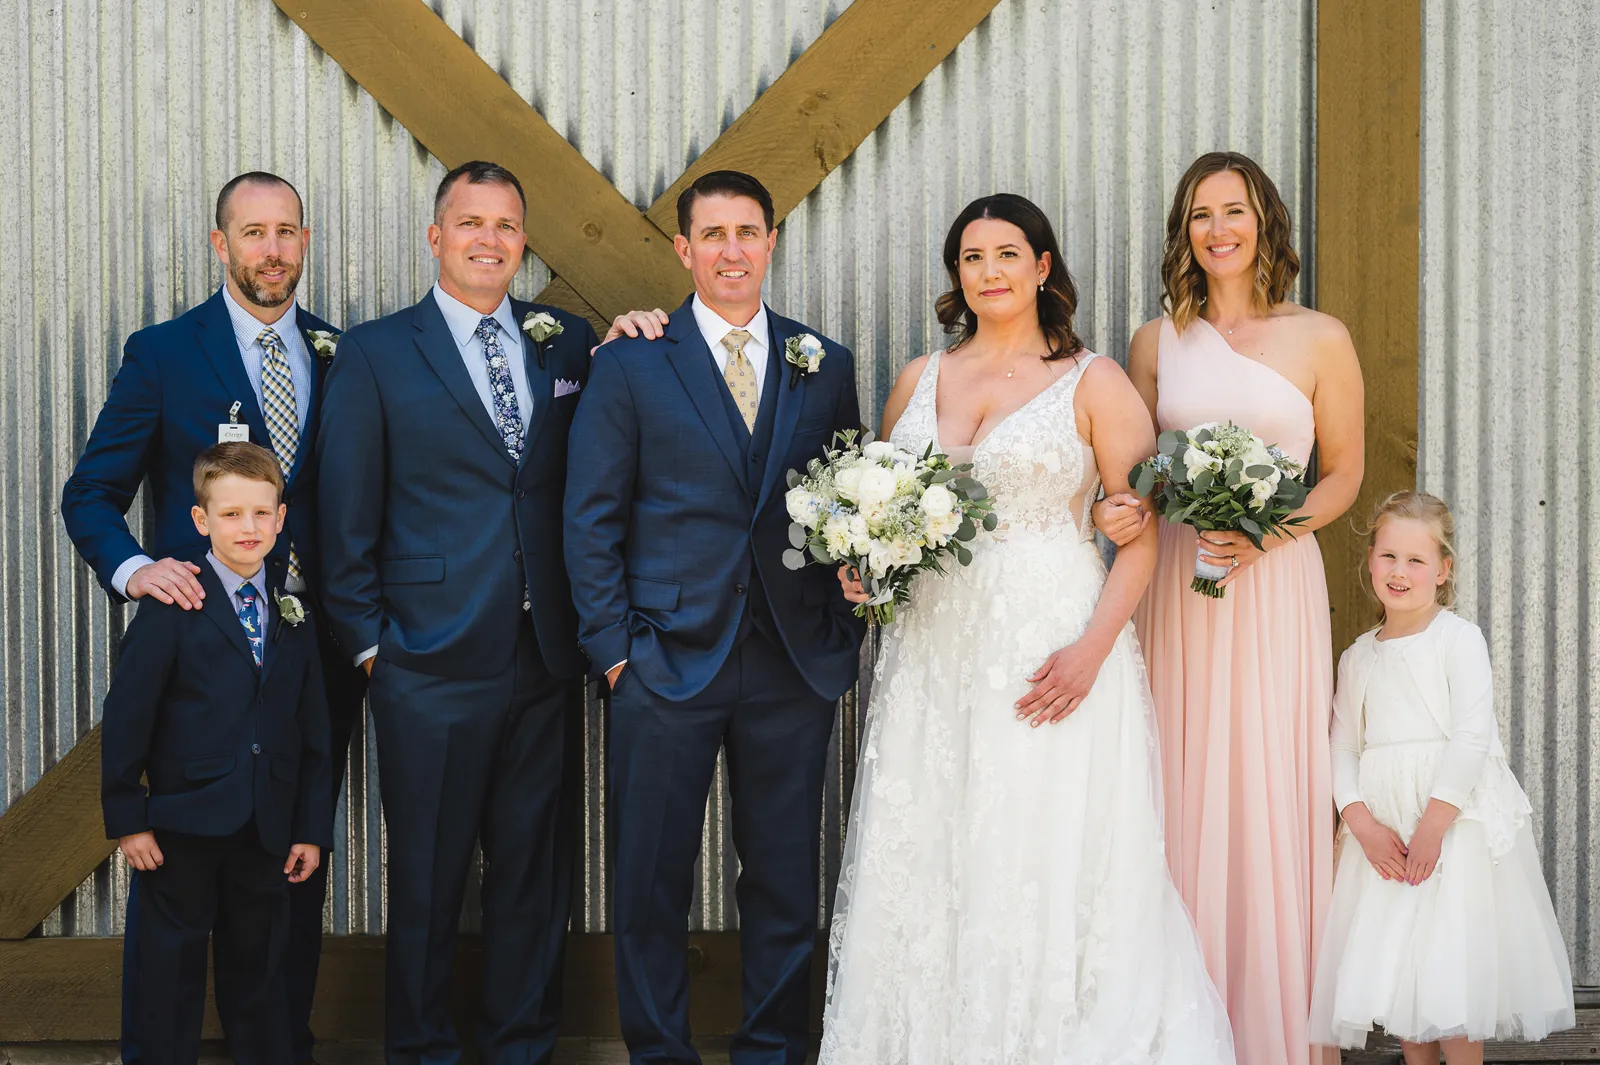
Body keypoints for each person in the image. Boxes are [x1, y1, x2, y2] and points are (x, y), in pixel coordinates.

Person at [819, 193, 1234, 1064]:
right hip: (934, 650)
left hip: (1051, 640)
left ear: (1043, 268)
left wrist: (1091, 652)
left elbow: (1138, 532)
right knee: (933, 845)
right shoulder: (917, 379)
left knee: (1036, 846)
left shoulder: (1097, 380)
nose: (990, 272)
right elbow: (890, 512)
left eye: (1008, 254)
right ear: (957, 276)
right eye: (972, 258)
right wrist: (866, 568)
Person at [61, 171, 365, 1065]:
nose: (271, 249)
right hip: (200, 664)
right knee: (182, 905)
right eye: (252, 232)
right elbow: (91, 493)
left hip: (315, 656)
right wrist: (137, 568)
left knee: (289, 876)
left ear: (305, 241)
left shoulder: (343, 353)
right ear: (219, 244)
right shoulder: (163, 352)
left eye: (286, 231)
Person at [564, 169, 866, 1065]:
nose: (732, 249)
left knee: (782, 883)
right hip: (663, 663)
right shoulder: (629, 361)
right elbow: (590, 518)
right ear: (683, 249)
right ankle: (659, 1053)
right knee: (649, 883)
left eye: (748, 231)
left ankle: (770, 1050)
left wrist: (842, 624)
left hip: (790, 663)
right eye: (714, 234)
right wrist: (615, 652)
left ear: (771, 241)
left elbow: (845, 501)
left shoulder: (825, 361)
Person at [314, 159, 597, 1064]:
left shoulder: (566, 345)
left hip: (541, 657)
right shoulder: (375, 351)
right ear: (436, 236)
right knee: (429, 885)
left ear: (523, 241)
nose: (488, 239)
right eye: (469, 222)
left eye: (507, 225)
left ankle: (521, 1048)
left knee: (531, 881)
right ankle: (423, 1051)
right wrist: (370, 651)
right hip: (424, 665)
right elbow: (341, 510)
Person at [1098, 151, 1364, 1065]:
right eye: (1201, 214)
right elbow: (1131, 474)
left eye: (1235, 211)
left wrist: (1269, 531)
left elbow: (1347, 474)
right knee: (1175, 779)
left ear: (1265, 223)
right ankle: (1180, 1028)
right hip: (1175, 582)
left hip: (1275, 581)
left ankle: (1276, 1030)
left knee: (1269, 781)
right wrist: (1120, 505)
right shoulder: (1151, 343)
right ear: (1185, 232)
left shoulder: (1320, 337)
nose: (1218, 229)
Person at [1309, 491, 1574, 1063]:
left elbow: (1472, 737)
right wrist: (1359, 821)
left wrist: (1434, 824)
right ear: (1371, 561)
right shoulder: (1357, 656)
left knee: (1450, 975)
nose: (1399, 572)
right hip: (1385, 831)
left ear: (1443, 570)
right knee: (1408, 981)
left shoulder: (1458, 639)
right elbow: (1343, 743)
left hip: (1451, 827)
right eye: (1388, 557)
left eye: (1416, 560)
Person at [100, 441, 333, 1065]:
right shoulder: (173, 603)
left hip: (267, 827)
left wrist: (310, 829)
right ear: (201, 521)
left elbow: (314, 731)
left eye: (261, 513)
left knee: (259, 975)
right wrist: (129, 818)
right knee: (165, 974)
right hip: (181, 825)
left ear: (281, 518)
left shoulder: (295, 610)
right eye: (230, 514)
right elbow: (128, 716)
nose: (248, 527)